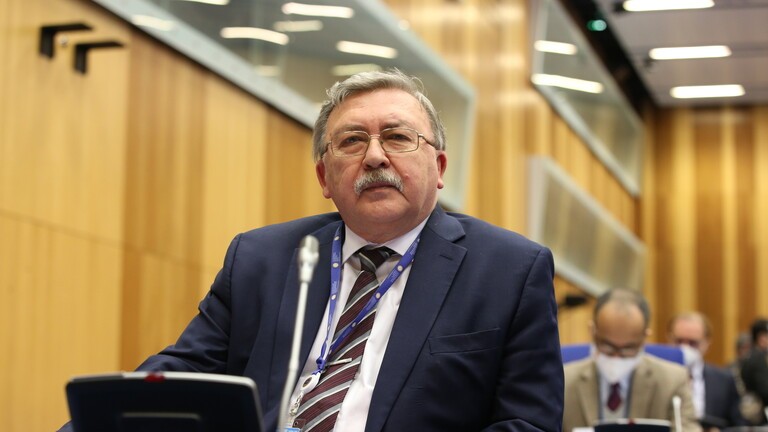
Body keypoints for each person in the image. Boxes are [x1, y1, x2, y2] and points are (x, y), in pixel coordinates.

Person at [59, 69, 563, 432]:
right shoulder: (262, 258)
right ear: (325, 177)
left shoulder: (510, 270)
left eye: (397, 137)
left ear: (440, 168)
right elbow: (184, 374)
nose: (374, 156)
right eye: (351, 142)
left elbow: (528, 423)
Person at [563, 288, 701, 432]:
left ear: (644, 337)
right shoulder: (564, 381)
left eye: (628, 349)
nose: (616, 357)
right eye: (607, 346)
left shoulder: (673, 380)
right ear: (593, 331)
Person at [667, 312, 745, 429]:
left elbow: (738, 426)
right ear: (669, 339)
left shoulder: (724, 380)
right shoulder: (657, 377)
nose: (685, 348)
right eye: (679, 341)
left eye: (693, 343)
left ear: (706, 343)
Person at [739, 318, 768, 425]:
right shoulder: (757, 359)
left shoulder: (753, 356)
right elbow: (765, 390)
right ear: (761, 338)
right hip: (758, 416)